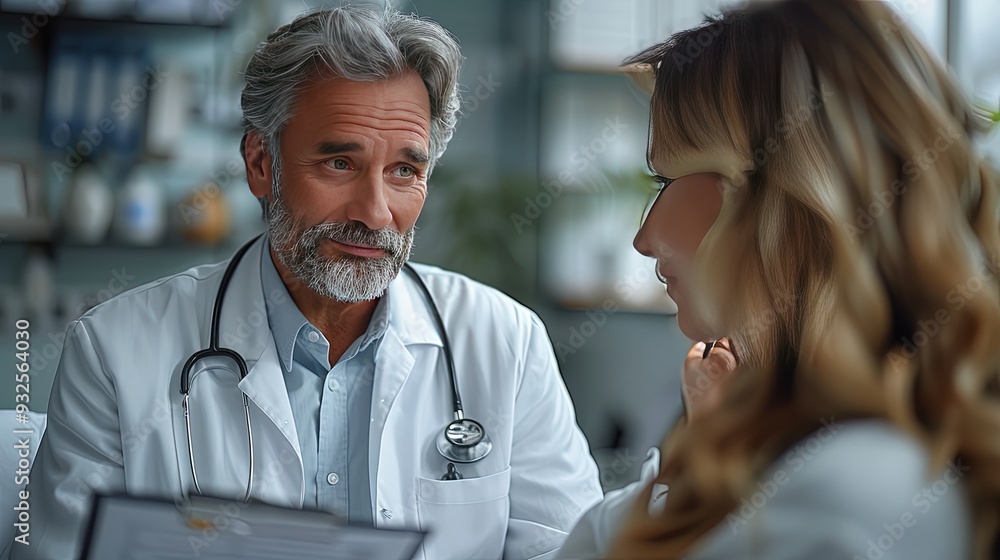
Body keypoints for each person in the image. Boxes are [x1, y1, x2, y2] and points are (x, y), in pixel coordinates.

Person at [9, 6, 602, 560]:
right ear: (261, 164)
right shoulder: (114, 350)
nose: (374, 212)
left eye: (405, 170)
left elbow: (570, 549)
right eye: (339, 163)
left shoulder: (507, 342)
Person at [556, 0, 1000, 558]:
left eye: (663, 180)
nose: (644, 239)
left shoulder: (851, 503)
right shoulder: (830, 466)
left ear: (782, 196)